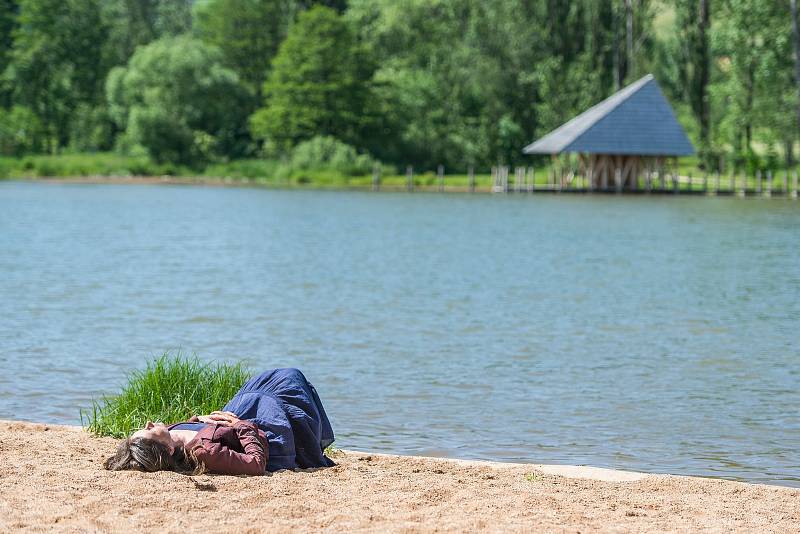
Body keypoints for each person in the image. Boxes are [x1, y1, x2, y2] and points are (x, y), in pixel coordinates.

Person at [103, 368, 335, 476]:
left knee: (268, 379)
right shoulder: (205, 452)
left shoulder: (172, 435)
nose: (149, 423)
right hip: (257, 431)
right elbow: (255, 464)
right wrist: (239, 426)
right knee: (289, 379)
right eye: (149, 431)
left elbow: (193, 430)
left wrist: (199, 420)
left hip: (237, 415)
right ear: (168, 449)